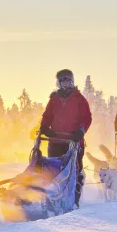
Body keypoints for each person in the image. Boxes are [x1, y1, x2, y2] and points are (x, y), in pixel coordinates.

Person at [39, 69, 92, 206]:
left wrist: (81, 130)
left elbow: (86, 118)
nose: (65, 83)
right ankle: (51, 198)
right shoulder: (54, 99)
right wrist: (44, 127)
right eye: (62, 81)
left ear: (72, 81)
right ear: (59, 83)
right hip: (56, 140)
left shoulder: (79, 99)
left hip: (74, 141)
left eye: (68, 80)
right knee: (53, 169)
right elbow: (47, 116)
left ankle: (74, 198)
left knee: (74, 169)